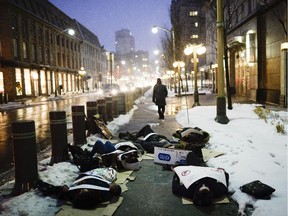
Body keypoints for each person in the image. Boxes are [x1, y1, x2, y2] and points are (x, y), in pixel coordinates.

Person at [37, 167, 122, 209]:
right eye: (115, 185)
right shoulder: (106, 191)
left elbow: (57, 191)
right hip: (93, 177)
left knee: (60, 191)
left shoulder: (74, 194)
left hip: (83, 180)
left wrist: (65, 189)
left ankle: (40, 184)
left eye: (114, 187)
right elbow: (117, 191)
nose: (113, 185)